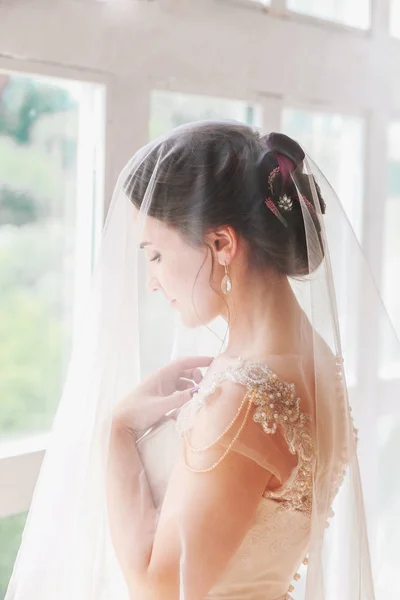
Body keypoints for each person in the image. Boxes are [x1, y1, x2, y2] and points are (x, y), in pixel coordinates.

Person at [6, 122, 383, 600]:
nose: (152, 281)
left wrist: (118, 434)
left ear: (222, 244)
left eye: (157, 255)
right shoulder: (315, 361)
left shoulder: (244, 402)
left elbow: (158, 589)